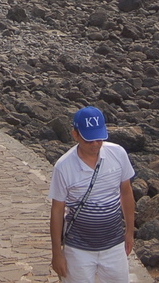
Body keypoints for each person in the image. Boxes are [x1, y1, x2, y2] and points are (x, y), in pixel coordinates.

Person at [49, 106, 135, 283]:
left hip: (114, 245)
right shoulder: (63, 167)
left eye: (99, 138)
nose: (95, 144)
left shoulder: (118, 154)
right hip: (77, 249)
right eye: (89, 140)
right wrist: (57, 253)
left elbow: (126, 192)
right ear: (75, 135)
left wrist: (129, 232)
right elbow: (57, 210)